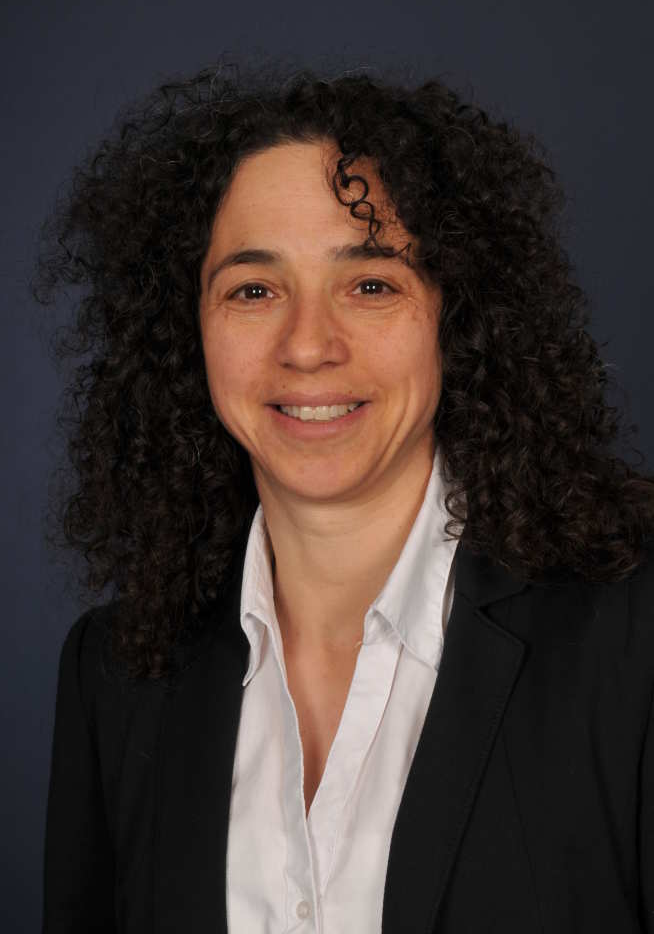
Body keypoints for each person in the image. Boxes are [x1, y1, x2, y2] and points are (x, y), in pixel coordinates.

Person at [35, 57, 654, 933]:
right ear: (187, 331)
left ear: (458, 318)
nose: (307, 345)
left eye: (370, 285)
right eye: (254, 290)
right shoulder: (115, 674)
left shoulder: (633, 636)